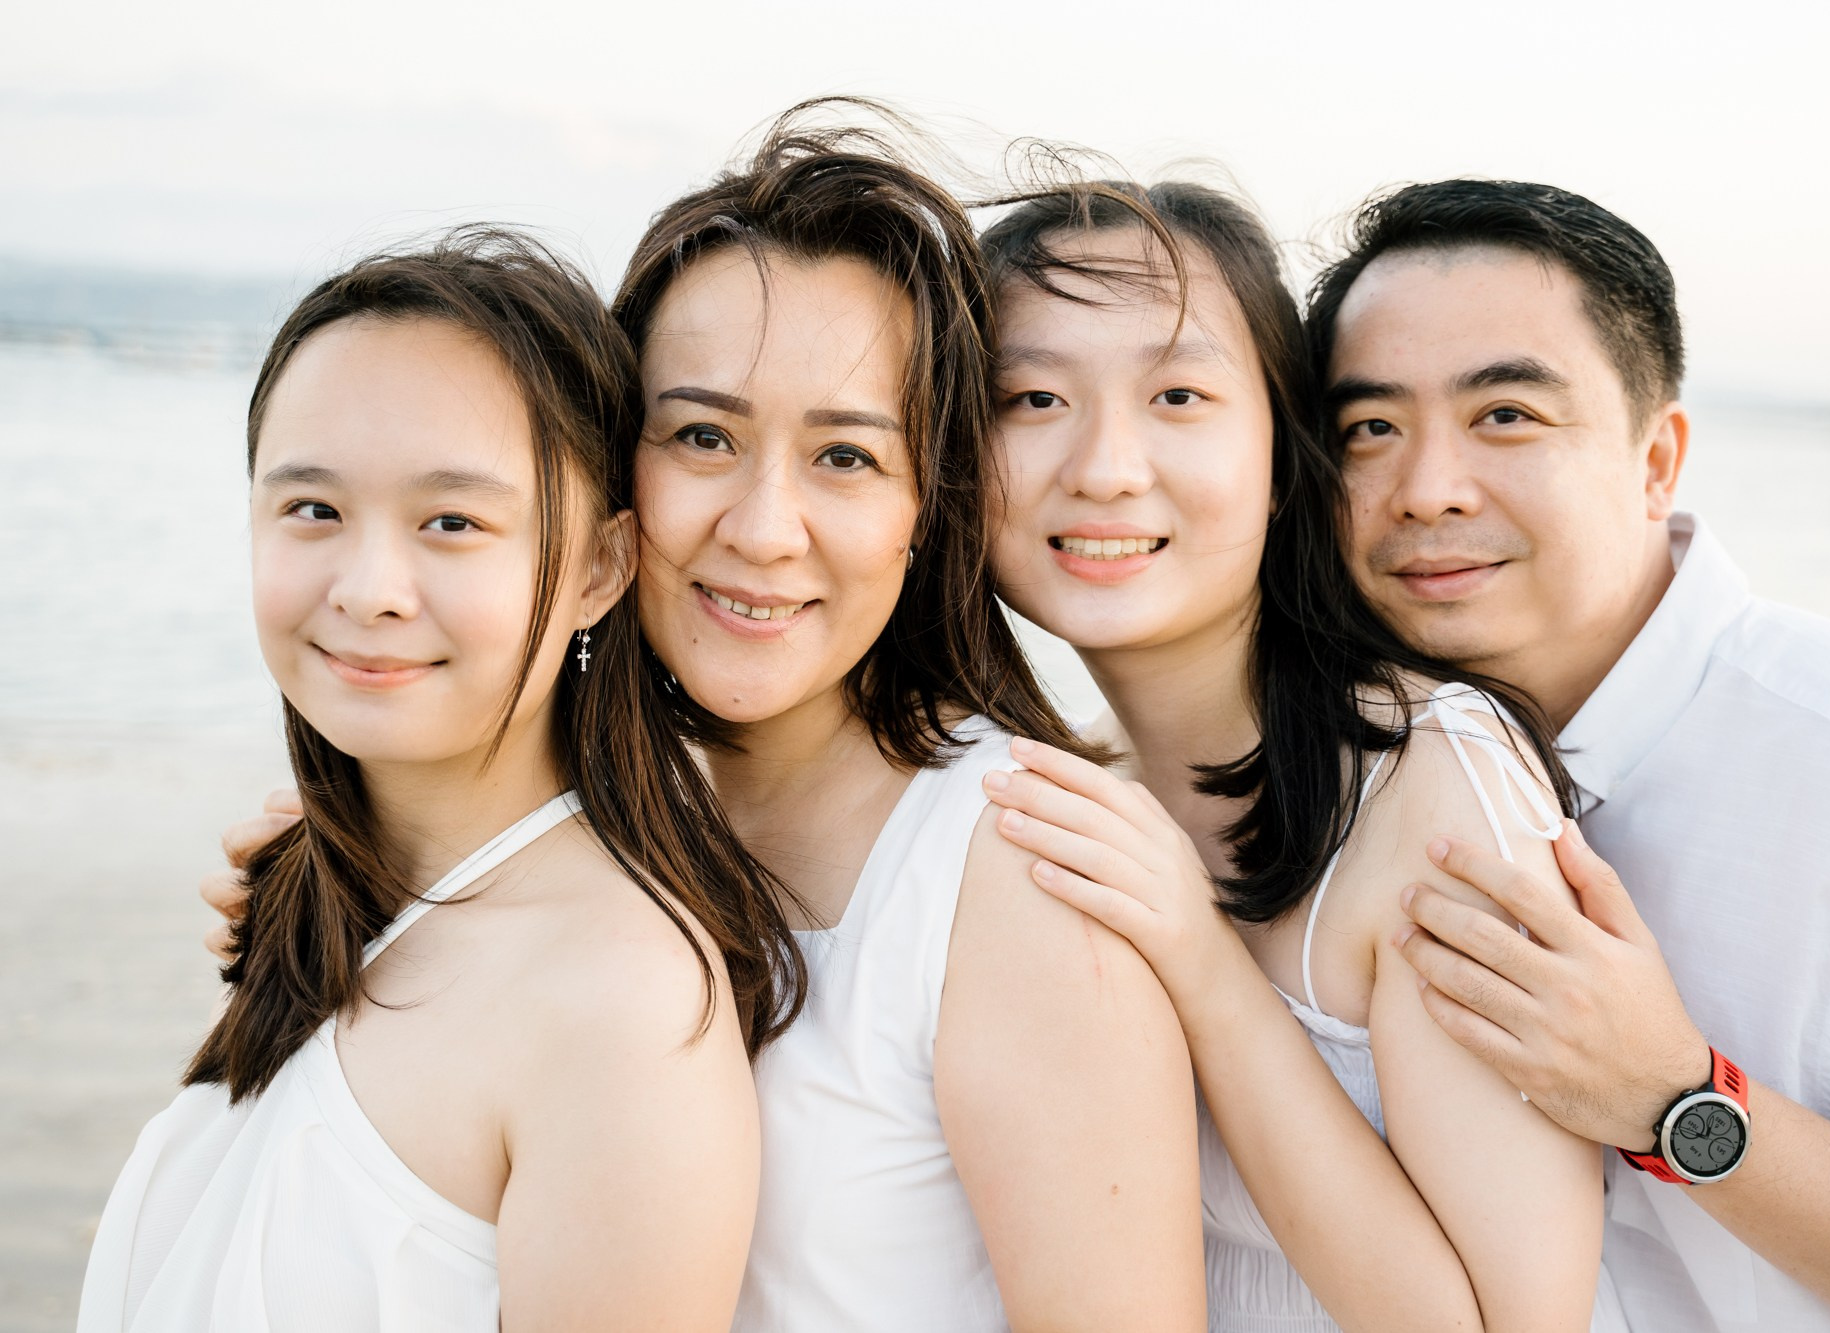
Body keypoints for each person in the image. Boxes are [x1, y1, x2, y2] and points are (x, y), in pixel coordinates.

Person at [202, 113, 1205, 1331]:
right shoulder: (578, 828)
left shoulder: (1017, 873)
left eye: (843, 457)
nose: (764, 526)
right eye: (703, 436)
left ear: (923, 510)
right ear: (604, 481)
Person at [1313, 180, 1830, 1331]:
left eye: (1506, 417)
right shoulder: (1348, 762)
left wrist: (1673, 1098)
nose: (1425, 490)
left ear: (1654, 458)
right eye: (1368, 429)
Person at [84, 230, 795, 1330]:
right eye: (312, 508)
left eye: (452, 522)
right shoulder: (338, 897)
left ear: (599, 568)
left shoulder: (619, 1009)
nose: (368, 588)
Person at [975, 180, 1611, 1330]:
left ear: (1283, 458)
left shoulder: (1434, 787)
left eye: (1177, 394)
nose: (1106, 465)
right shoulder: (1071, 787)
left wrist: (1204, 968)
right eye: (1030, 396)